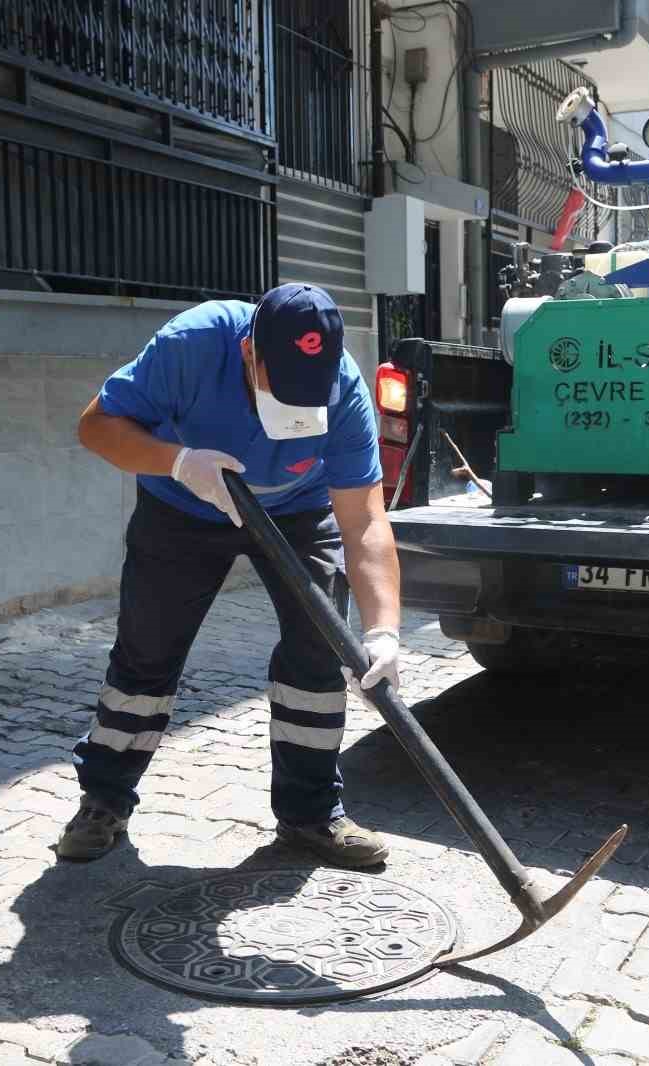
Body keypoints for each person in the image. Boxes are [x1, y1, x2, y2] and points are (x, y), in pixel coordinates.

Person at [59, 283, 402, 867]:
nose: (293, 408)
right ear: (249, 352)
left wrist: (385, 632)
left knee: (320, 651)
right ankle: (103, 800)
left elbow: (365, 521)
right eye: (280, 387)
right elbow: (96, 426)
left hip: (297, 510)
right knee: (147, 650)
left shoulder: (342, 389)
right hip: (183, 504)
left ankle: (310, 814)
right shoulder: (191, 346)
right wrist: (176, 461)